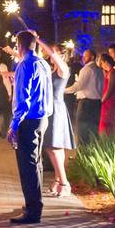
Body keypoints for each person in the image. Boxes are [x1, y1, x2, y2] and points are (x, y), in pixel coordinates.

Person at [7, 30, 53, 225]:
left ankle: (33, 210)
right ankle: (34, 205)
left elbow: (23, 99)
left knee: (28, 166)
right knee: (36, 164)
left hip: (29, 120)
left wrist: (14, 125)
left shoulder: (25, 64)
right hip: (42, 118)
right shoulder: (42, 63)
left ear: (20, 45)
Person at [35, 37, 76, 196]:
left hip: (57, 110)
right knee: (50, 146)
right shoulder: (51, 70)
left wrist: (38, 40)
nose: (49, 54)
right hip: (49, 109)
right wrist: (13, 52)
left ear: (60, 55)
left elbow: (50, 52)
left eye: (54, 52)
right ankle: (59, 180)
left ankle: (64, 183)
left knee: (55, 146)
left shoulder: (64, 69)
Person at [64, 48, 103, 145]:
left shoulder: (87, 69)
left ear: (92, 57)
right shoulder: (99, 70)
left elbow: (79, 86)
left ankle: (82, 155)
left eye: (85, 56)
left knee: (82, 131)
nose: (83, 58)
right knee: (93, 131)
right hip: (97, 103)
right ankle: (92, 154)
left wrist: (63, 90)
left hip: (86, 104)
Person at [99, 53, 115, 137]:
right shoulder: (108, 73)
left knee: (107, 123)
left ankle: (108, 140)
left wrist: (102, 100)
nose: (101, 65)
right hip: (107, 101)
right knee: (105, 123)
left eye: (101, 63)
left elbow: (109, 89)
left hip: (109, 102)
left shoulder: (112, 73)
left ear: (105, 62)